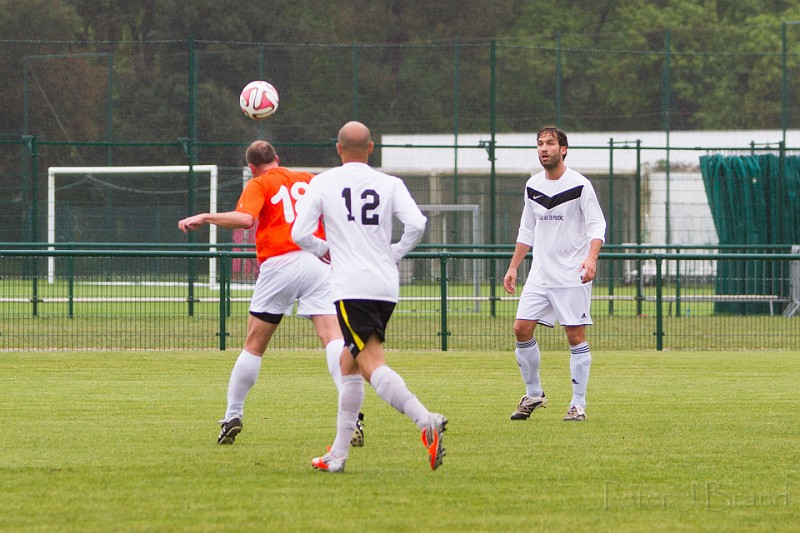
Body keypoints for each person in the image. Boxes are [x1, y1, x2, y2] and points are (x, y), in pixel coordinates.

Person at [178, 140, 364, 446]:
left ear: (252, 167)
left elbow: (246, 219)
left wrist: (206, 217)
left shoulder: (259, 183)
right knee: (333, 338)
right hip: (316, 262)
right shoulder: (307, 179)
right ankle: (352, 414)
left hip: (279, 264)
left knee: (254, 345)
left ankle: (233, 414)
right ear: (277, 158)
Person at [291, 121, 447, 473]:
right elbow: (417, 224)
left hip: (351, 287)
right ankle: (337, 457)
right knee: (349, 365)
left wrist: (325, 250)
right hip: (385, 286)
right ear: (372, 148)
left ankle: (426, 421)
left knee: (371, 363)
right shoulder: (390, 183)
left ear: (338, 148)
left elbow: (299, 233)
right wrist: (394, 253)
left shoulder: (323, 182)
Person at [502, 126, 606, 422]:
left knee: (575, 335)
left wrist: (591, 258)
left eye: (550, 143)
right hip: (540, 275)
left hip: (571, 274)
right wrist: (513, 267)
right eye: (539, 144)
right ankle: (534, 393)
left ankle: (578, 404)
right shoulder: (532, 185)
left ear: (563, 150)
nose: (543, 148)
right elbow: (527, 230)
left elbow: (597, 226)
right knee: (521, 328)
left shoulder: (580, 185)